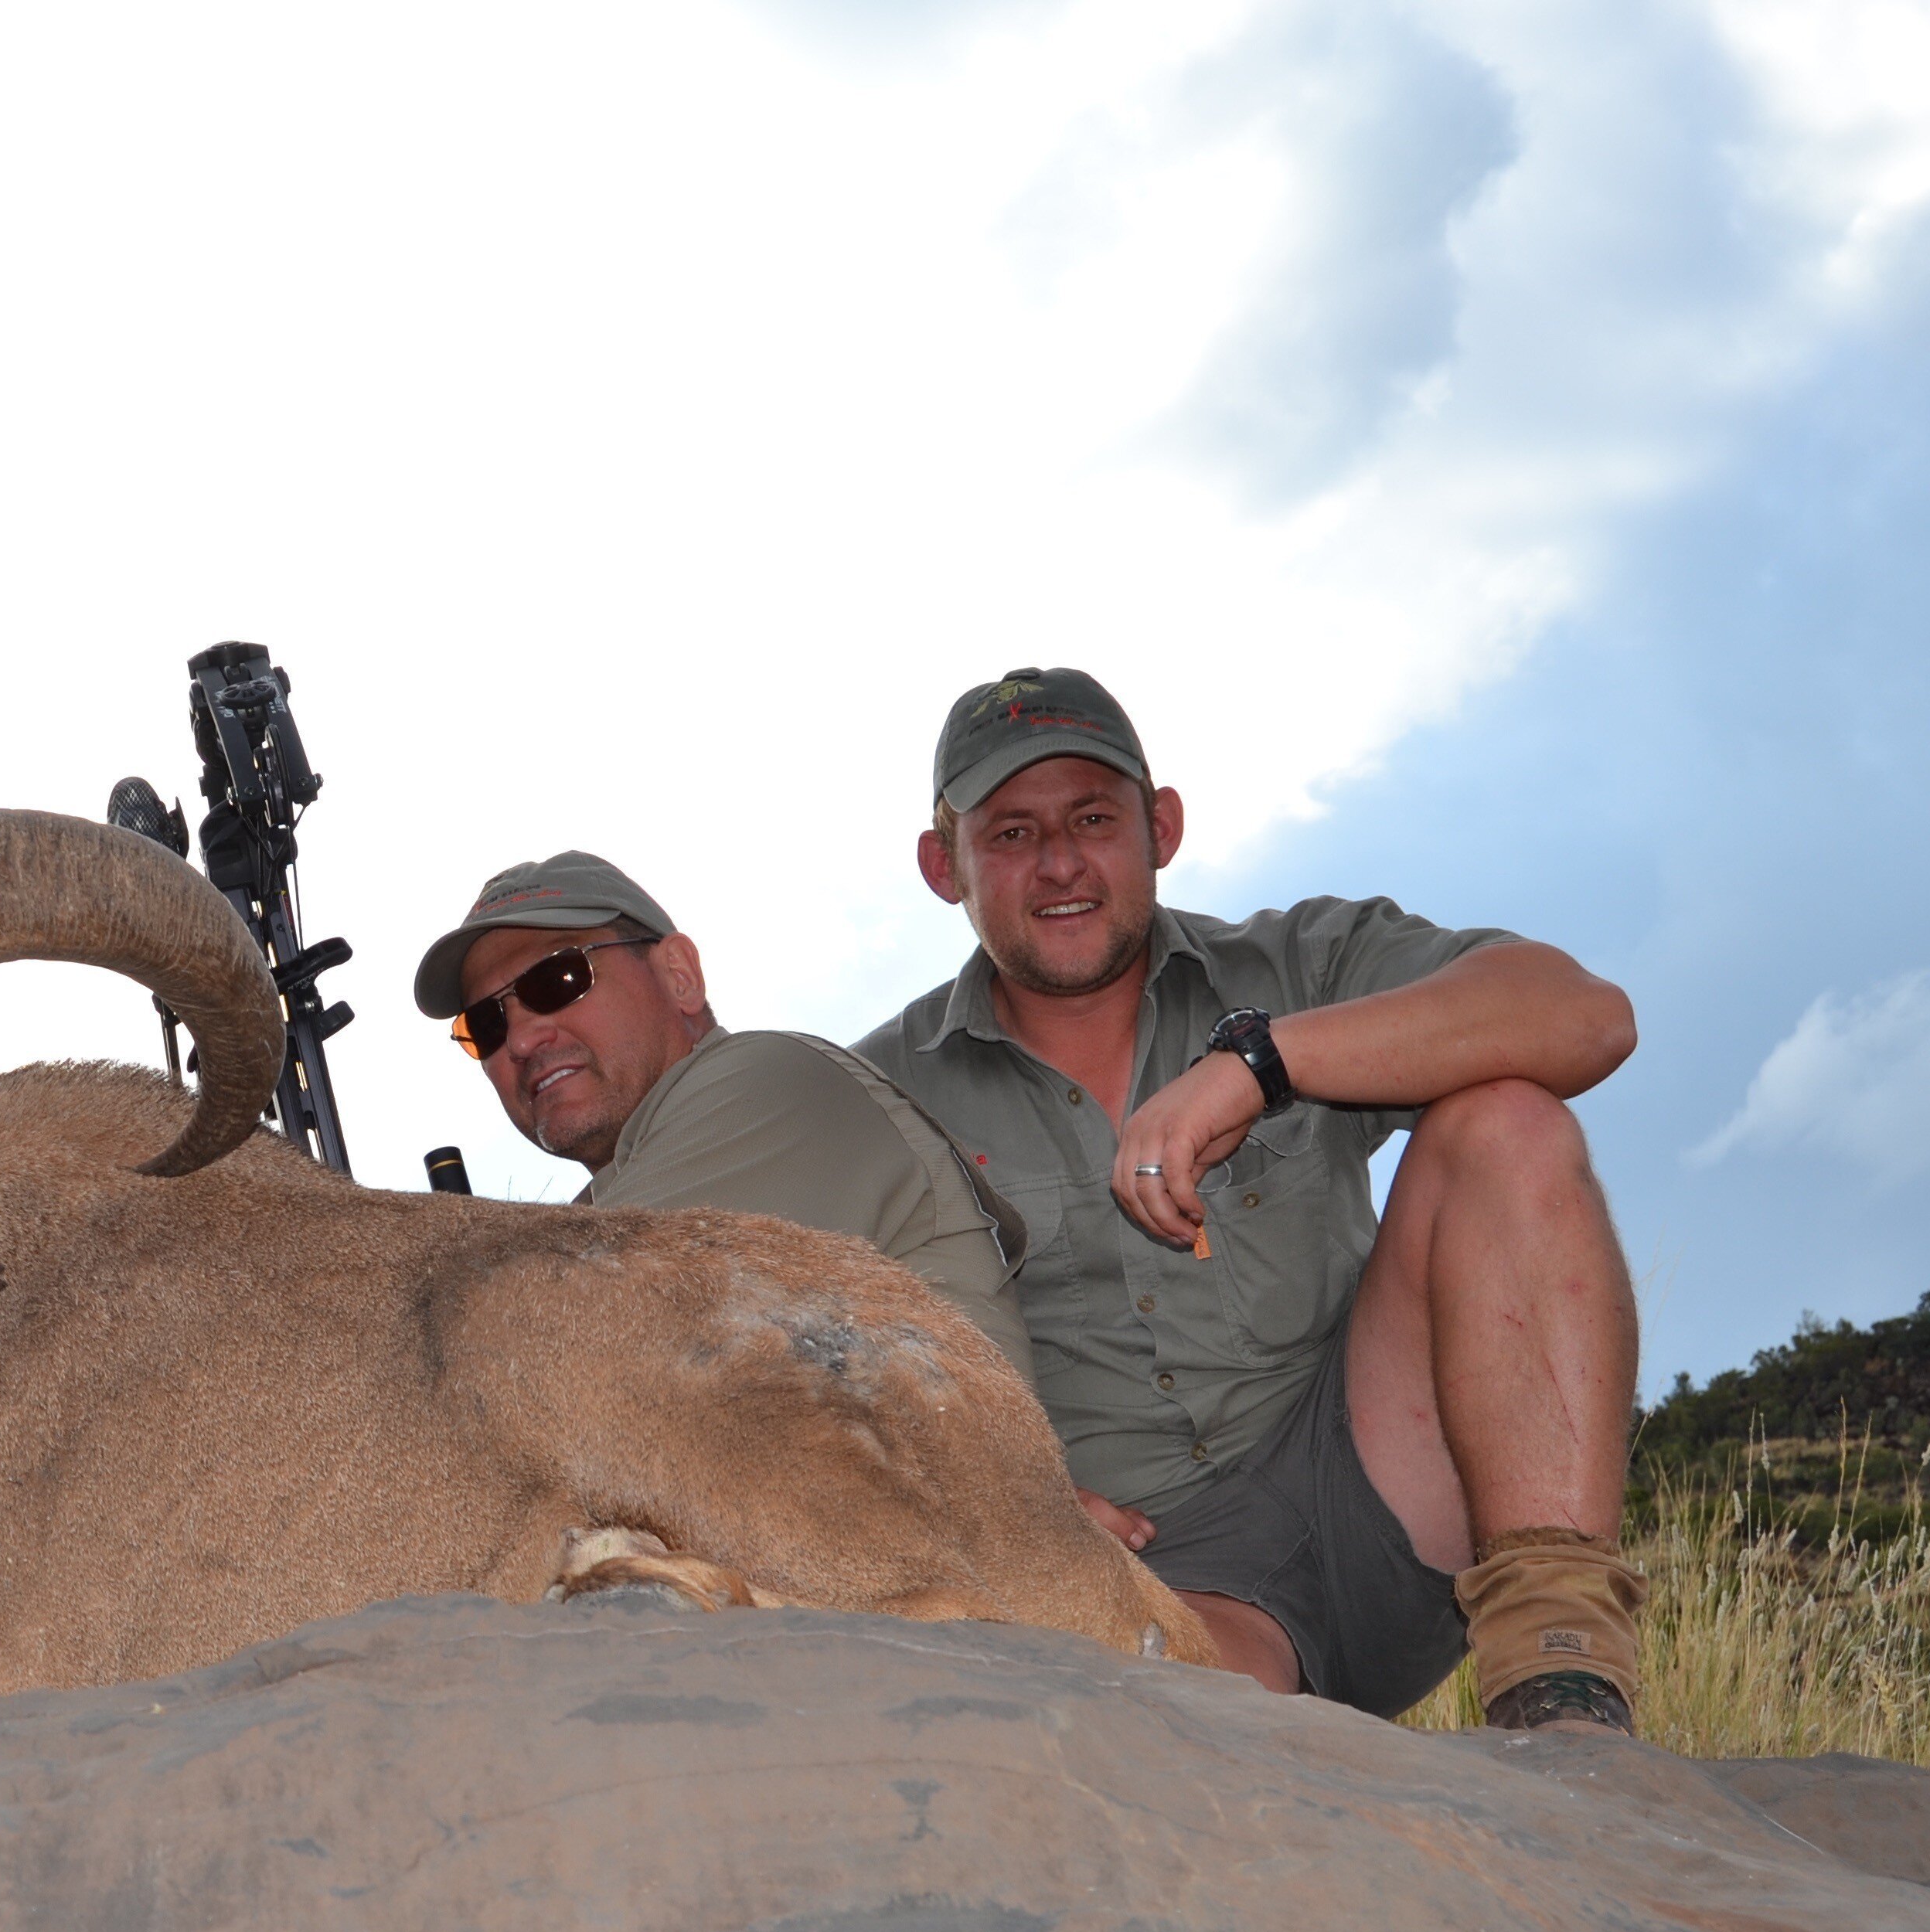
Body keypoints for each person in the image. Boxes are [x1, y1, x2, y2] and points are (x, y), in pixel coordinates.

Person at [855, 666, 1646, 1731]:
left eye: (1093, 818)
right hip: (1159, 1574)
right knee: (1194, 1723)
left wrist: (1261, 1064)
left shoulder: (1303, 960)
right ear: (941, 866)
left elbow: (1583, 1017)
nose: (1058, 863)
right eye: (1009, 834)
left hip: (1392, 1487)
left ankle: (1565, 1684)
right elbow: (797, 1348)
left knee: (1509, 1121)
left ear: (1161, 826)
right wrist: (990, 1492)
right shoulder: (876, 1097)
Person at [412, 851, 1036, 1380]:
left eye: (559, 979)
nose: (520, 1038)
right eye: (485, 1025)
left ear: (679, 976)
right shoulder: (610, 1210)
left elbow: (536, 1361)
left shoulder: (766, 1083)